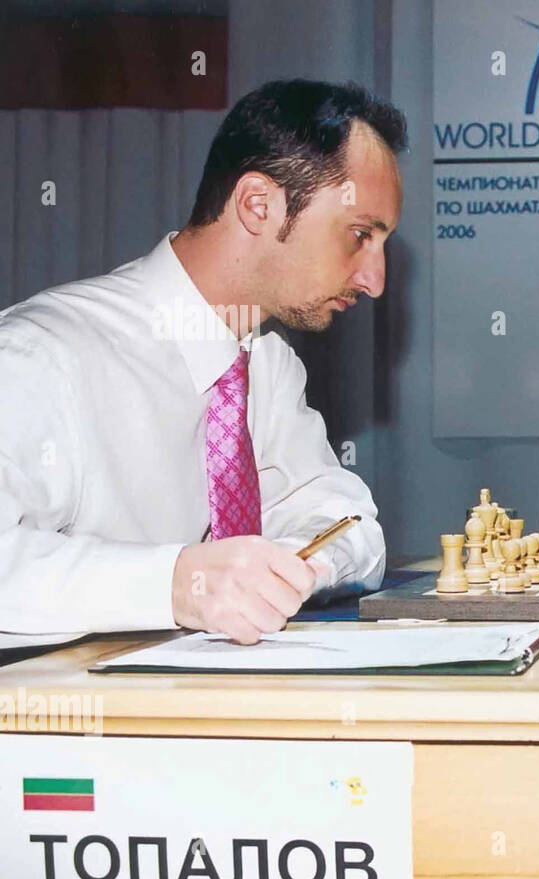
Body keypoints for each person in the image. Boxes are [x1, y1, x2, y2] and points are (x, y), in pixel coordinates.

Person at [0, 79, 405, 645]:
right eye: (360, 235)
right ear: (258, 205)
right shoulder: (41, 355)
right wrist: (178, 583)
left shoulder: (266, 361)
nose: (375, 279)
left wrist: (291, 565)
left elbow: (348, 521)